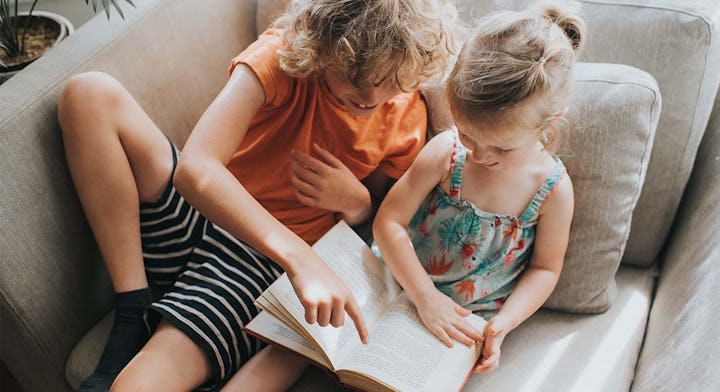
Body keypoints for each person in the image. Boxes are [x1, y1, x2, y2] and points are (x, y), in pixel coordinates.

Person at [57, 0, 456, 390]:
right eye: (354, 76)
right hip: (211, 213)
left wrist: (356, 203)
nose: (371, 97)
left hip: (252, 264)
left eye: (389, 82)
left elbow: (381, 219)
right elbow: (195, 169)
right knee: (88, 93)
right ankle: (132, 307)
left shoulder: (407, 115)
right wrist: (300, 258)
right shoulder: (283, 55)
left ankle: (152, 318)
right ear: (326, 44)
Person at [372, 5, 585, 374]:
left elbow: (545, 269)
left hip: (465, 323)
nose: (479, 153)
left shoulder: (552, 191)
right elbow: (388, 222)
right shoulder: (446, 153)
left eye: (501, 147)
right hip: (397, 283)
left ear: (551, 124)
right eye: (468, 133)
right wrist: (424, 297)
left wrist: (503, 325)